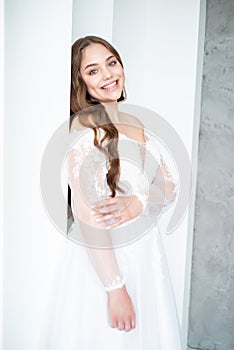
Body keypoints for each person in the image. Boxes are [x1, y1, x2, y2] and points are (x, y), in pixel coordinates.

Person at [39, 35, 182, 350]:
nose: (107, 75)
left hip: (146, 256)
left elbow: (170, 185)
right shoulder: (84, 132)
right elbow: (88, 217)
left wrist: (138, 203)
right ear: (80, 83)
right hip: (108, 263)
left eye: (111, 63)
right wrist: (115, 289)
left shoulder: (137, 123)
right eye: (92, 71)